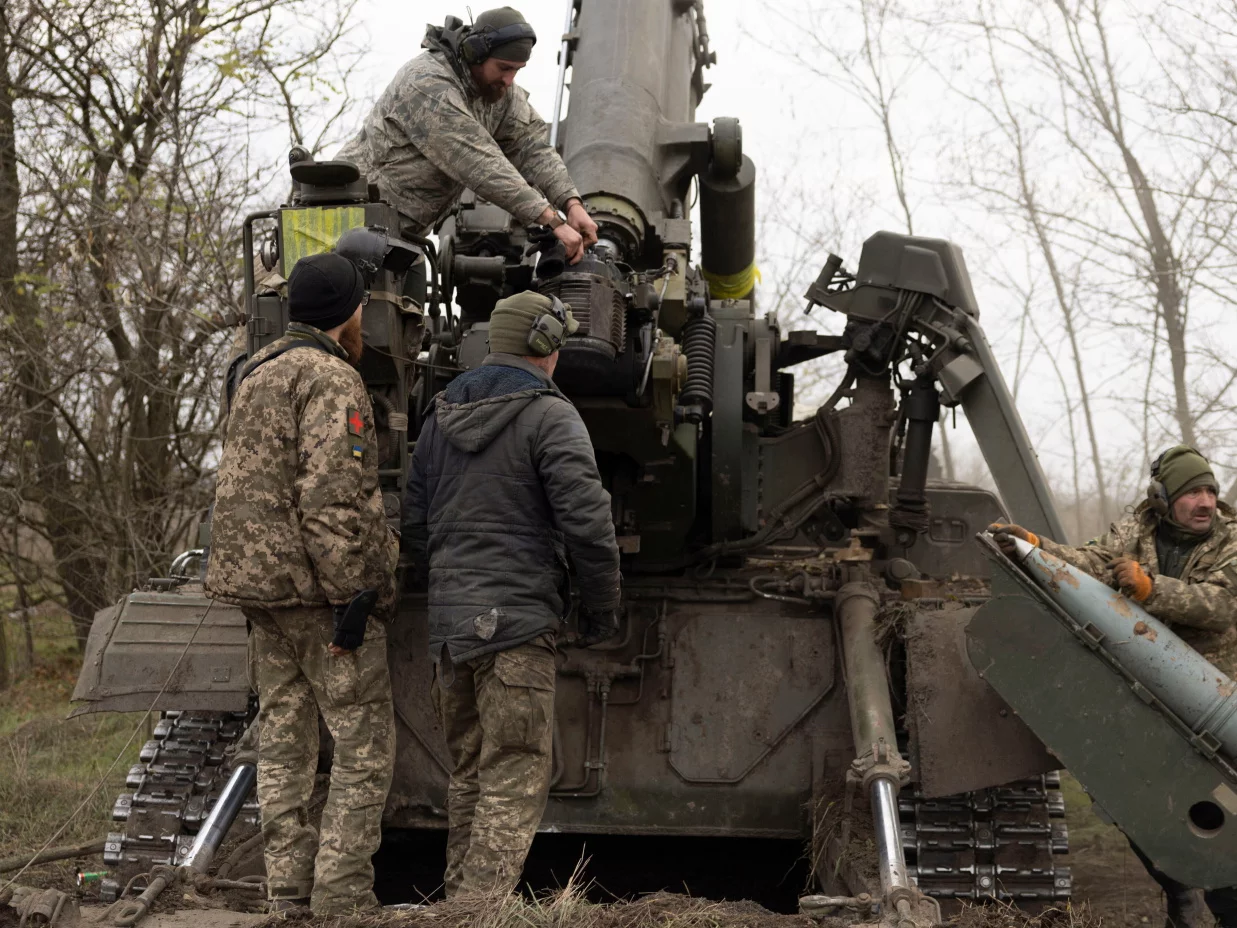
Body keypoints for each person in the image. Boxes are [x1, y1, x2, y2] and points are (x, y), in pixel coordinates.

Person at [403, 291, 622, 897]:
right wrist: (600, 610)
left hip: (451, 632)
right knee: (517, 771)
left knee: (469, 773)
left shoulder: (439, 416)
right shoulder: (553, 417)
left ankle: (457, 903)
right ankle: (479, 910)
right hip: (518, 628)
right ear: (545, 346)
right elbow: (589, 527)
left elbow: (416, 526)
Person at [205, 251, 398, 915]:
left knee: (284, 746)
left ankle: (286, 892)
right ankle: (342, 899)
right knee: (363, 747)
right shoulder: (332, 378)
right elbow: (334, 499)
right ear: (349, 311)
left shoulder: (255, 373)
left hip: (258, 594)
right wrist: (356, 598)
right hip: (319, 597)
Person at [992, 444, 1237, 928]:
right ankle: (1179, 895)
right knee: (1139, 806)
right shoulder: (1137, 530)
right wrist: (1036, 546)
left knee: (1220, 816)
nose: (1205, 501)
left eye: (1210, 490)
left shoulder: (1230, 539)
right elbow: (1093, 562)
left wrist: (1150, 589)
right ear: (1163, 498)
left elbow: (1222, 605)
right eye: (1191, 492)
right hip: (1148, 701)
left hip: (1213, 707)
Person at [337, 7, 598, 264]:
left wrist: (571, 204)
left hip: (402, 237)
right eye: (504, 68)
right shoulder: (426, 82)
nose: (509, 80)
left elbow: (532, 148)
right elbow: (479, 163)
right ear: (476, 54)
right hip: (345, 224)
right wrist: (552, 220)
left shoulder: (501, 95)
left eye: (517, 70)